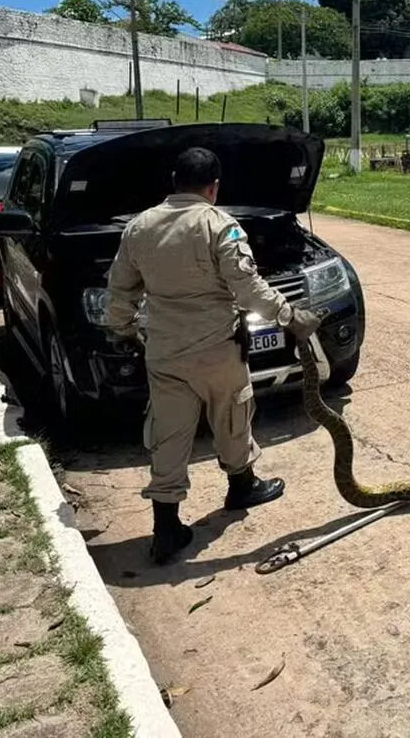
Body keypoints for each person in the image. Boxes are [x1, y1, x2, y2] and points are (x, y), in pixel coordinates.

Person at [105, 146, 322, 564]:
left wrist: (124, 329)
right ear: (214, 187)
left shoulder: (139, 227)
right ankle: (241, 486)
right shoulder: (219, 224)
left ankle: (165, 528)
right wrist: (290, 315)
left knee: (169, 436)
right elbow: (248, 288)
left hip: (165, 353)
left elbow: (120, 290)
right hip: (217, 350)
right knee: (232, 416)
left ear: (173, 180)